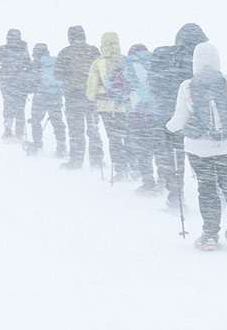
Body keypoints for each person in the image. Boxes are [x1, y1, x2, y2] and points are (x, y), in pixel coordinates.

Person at [164, 41, 227, 251]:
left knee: (206, 190)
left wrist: (168, 130)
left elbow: (180, 118)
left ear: (195, 62)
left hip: (199, 149)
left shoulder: (187, 86)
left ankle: (210, 234)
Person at [151, 23, 208, 210]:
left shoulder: (162, 57)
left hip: (168, 117)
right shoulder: (200, 59)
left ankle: (176, 197)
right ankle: (214, 195)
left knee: (174, 158)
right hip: (198, 118)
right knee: (207, 156)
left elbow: (154, 86)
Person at [53, 26, 101, 170]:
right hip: (91, 97)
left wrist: (68, 80)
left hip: (72, 96)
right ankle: (97, 160)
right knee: (93, 129)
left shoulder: (65, 53)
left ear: (70, 37)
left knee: (75, 130)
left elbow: (57, 74)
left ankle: (76, 160)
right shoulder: (93, 51)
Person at [123, 43, 165, 194]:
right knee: (160, 150)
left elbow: (116, 92)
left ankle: (148, 183)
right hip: (157, 116)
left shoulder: (129, 68)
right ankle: (163, 180)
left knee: (143, 152)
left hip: (137, 118)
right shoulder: (157, 65)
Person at [86, 31, 129, 179]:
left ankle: (120, 170)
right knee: (127, 136)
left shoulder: (98, 62)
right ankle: (135, 167)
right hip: (123, 106)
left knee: (114, 138)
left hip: (105, 106)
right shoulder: (126, 60)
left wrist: (92, 97)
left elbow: (91, 89)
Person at [0, 29, 31, 142]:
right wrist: (24, 74)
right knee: (19, 107)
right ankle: (19, 132)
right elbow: (29, 65)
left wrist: (0, 74)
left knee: (8, 106)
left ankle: (8, 130)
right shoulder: (23, 49)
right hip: (20, 83)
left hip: (7, 83)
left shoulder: (2, 49)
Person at [27, 42, 67, 158]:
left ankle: (37, 144)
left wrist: (30, 88)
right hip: (55, 96)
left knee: (36, 120)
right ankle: (61, 147)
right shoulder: (54, 62)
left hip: (40, 97)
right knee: (57, 123)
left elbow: (30, 82)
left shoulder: (36, 64)